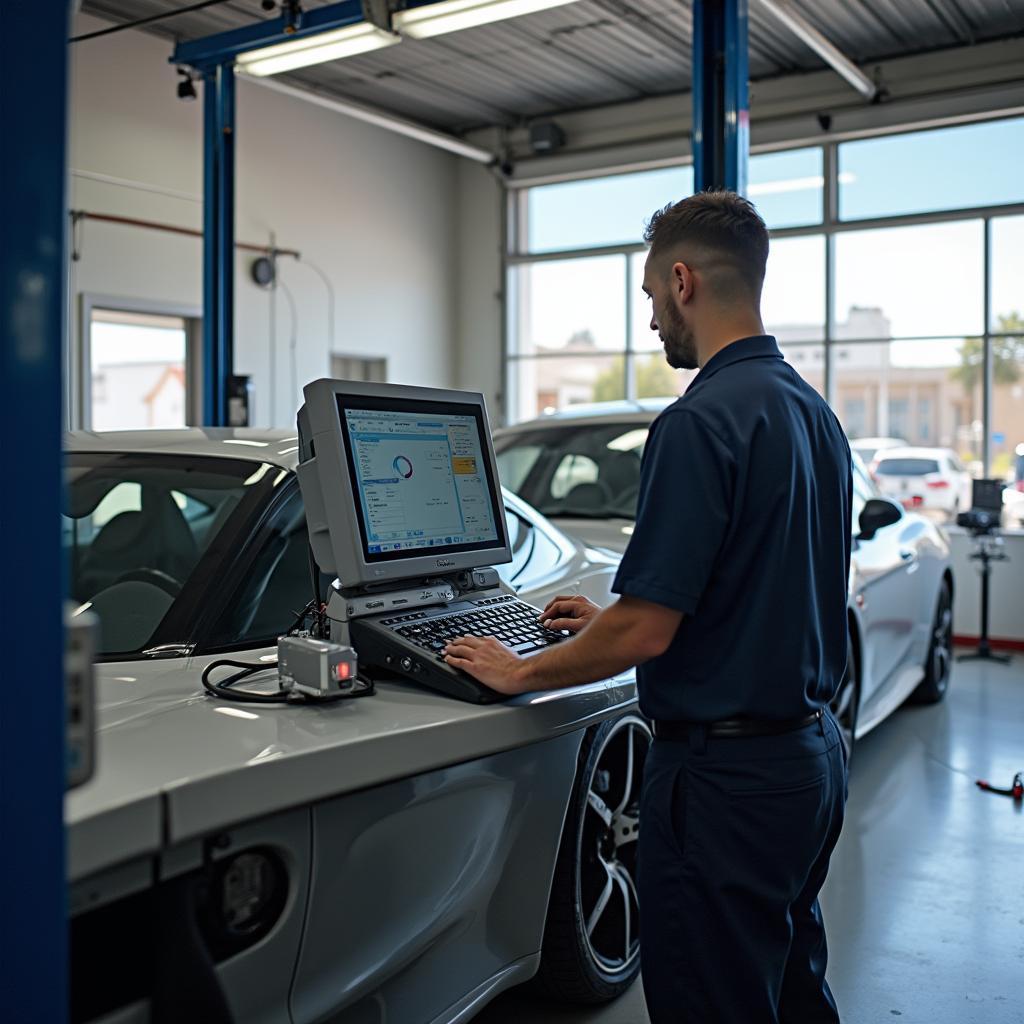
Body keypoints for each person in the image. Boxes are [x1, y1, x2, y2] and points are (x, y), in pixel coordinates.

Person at [444, 190, 852, 1023]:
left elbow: (649, 625)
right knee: (790, 983)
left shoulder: (700, 422)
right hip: (810, 763)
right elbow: (762, 590)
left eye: (649, 298)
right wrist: (607, 627)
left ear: (681, 280)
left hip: (725, 784)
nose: (653, 320)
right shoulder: (812, 414)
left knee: (712, 1002)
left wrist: (520, 668)